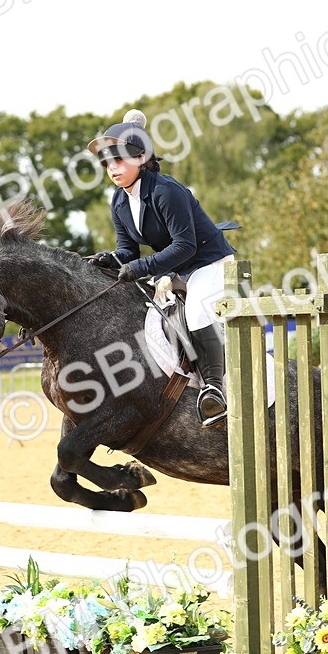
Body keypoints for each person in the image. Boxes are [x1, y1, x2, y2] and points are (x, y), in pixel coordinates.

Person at [86, 109, 236, 427]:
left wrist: (142, 266)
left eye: (121, 160)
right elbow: (128, 249)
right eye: (108, 162)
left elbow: (186, 246)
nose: (113, 168)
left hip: (209, 263)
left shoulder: (166, 191)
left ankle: (215, 390)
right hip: (176, 269)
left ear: (141, 158)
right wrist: (112, 260)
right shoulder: (119, 201)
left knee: (195, 312)